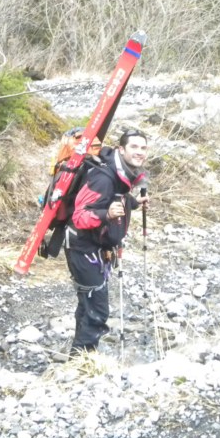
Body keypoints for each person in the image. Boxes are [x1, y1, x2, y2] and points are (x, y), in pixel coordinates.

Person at [64, 130, 149, 354]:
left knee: (87, 305)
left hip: (93, 248)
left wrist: (133, 202)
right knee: (97, 312)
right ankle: (82, 362)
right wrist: (106, 215)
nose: (139, 152)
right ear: (121, 149)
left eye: (143, 148)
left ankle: (77, 357)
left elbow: (112, 199)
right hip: (83, 250)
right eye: (134, 147)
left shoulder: (120, 173)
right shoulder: (103, 176)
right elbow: (80, 217)